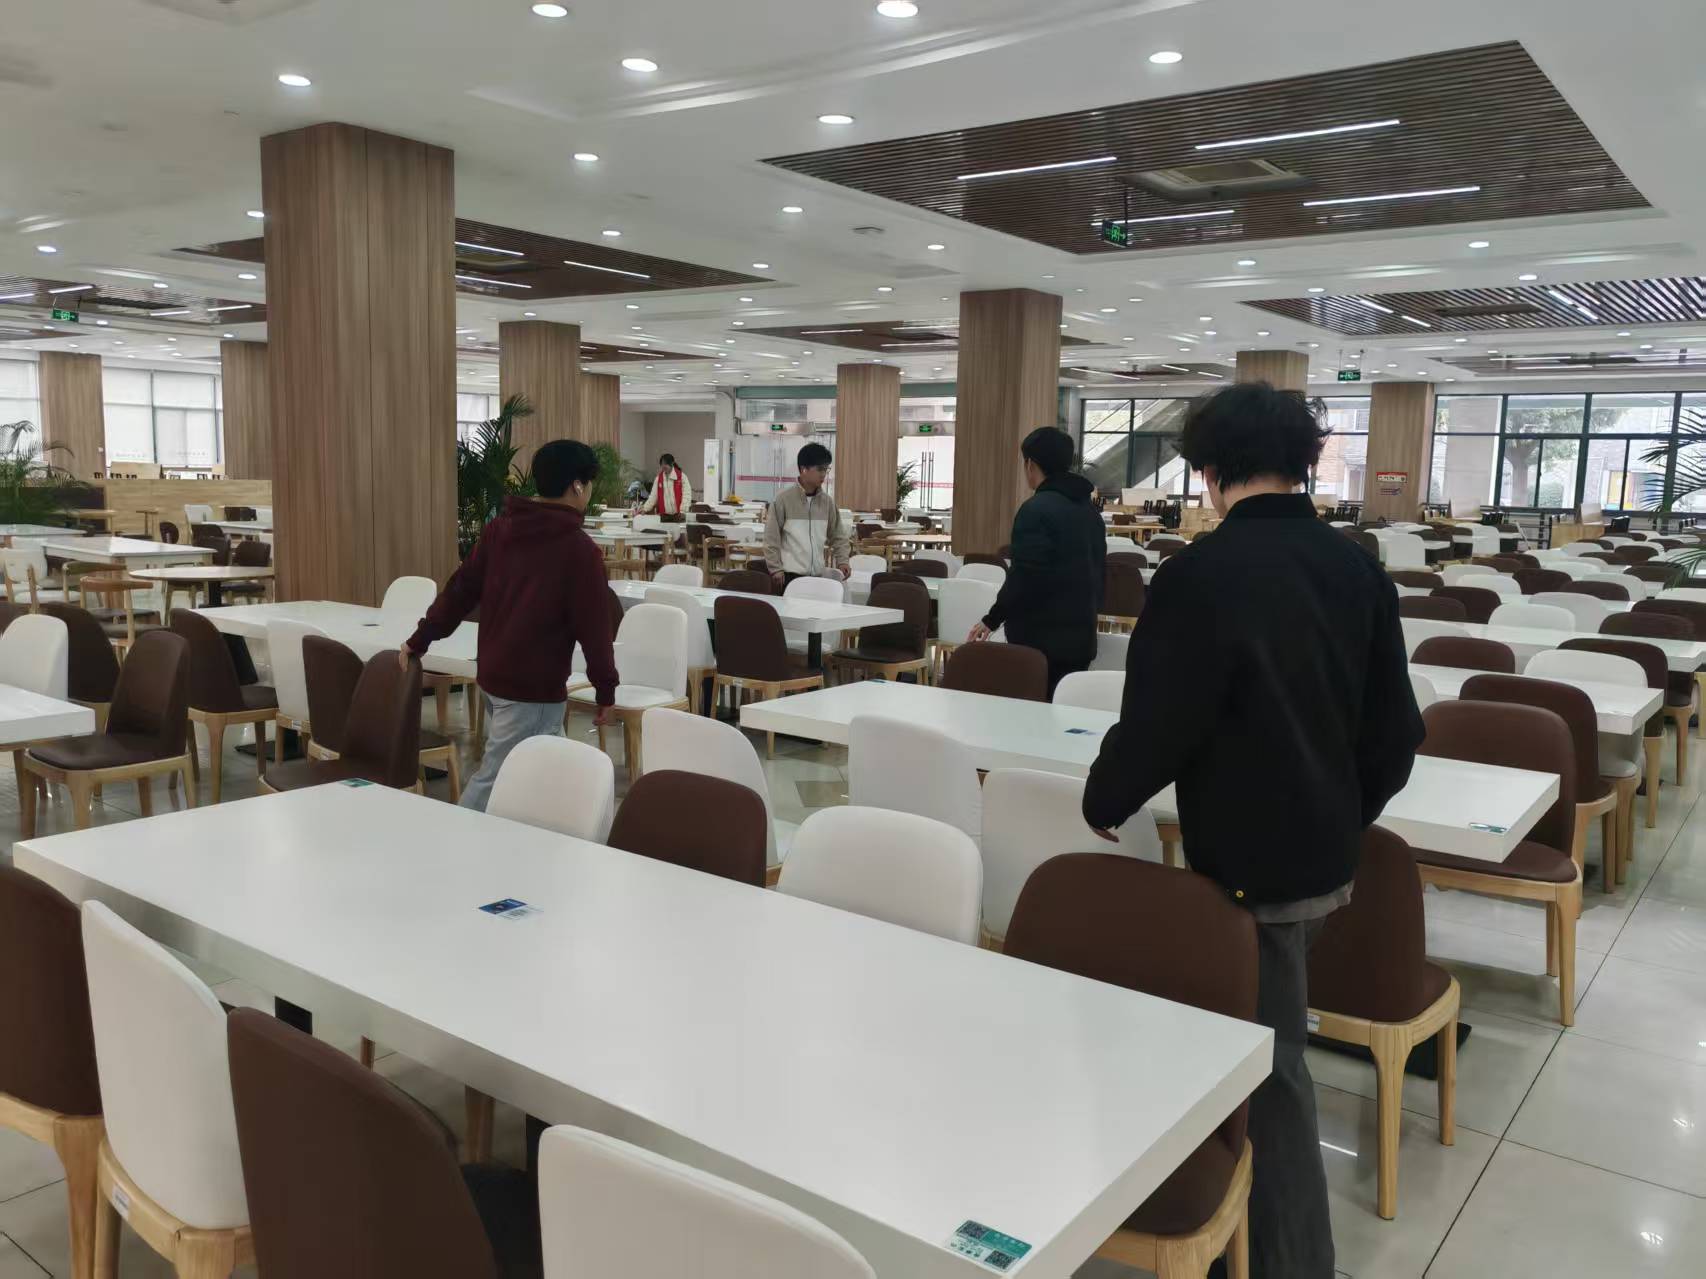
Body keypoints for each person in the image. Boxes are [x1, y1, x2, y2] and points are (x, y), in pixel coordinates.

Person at [1080, 382, 1423, 1279]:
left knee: (1269, 1071)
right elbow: (1397, 733)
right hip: (1324, 858)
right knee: (1259, 1044)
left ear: (1210, 469)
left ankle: (1295, 1263)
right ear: (1302, 461)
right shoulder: (1357, 568)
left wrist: (1106, 797)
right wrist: (1342, 811)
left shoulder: (1201, 574)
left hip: (1245, 866)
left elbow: (1162, 720)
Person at [402, 438, 617, 811]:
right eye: (589, 484)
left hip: (495, 677)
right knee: (495, 781)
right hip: (531, 691)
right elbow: (594, 629)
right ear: (577, 486)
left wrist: (420, 639)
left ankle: (556, 840)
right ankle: (455, 839)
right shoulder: (579, 551)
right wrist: (606, 690)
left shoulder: (501, 530)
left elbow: (460, 590)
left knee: (550, 776)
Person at [966, 426, 1105, 694]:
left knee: (1031, 712)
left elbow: (1025, 575)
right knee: (1063, 711)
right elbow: (1098, 572)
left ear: (1030, 464)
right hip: (1081, 638)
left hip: (1038, 642)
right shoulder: (1090, 512)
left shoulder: (1036, 510)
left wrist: (992, 619)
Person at [763, 441, 850, 590]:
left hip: (817, 576)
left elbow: (838, 535)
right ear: (804, 469)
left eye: (826, 469)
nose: (824, 474)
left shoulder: (827, 502)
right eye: (820, 469)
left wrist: (843, 560)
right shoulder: (783, 500)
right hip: (789, 576)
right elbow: (771, 538)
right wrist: (775, 568)